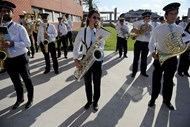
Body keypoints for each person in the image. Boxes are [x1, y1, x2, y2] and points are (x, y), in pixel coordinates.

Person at [148, 2, 183, 110]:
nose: (173, 16)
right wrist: (152, 52)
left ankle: (166, 100)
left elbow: (180, 43)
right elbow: (151, 42)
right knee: (156, 80)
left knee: (169, 81)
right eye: (171, 14)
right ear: (166, 15)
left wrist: (181, 46)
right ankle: (153, 98)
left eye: (175, 14)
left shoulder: (179, 29)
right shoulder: (158, 29)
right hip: (160, 57)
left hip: (172, 58)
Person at [0, 0, 34, 109]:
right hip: (8, 59)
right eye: (2, 11)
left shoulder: (19, 27)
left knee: (27, 79)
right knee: (16, 82)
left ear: (12, 13)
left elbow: (28, 43)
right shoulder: (0, 29)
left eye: (7, 11)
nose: (5, 13)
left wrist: (13, 43)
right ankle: (20, 98)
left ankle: (30, 99)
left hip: (21, 58)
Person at [73, 9, 104, 111]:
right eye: (94, 17)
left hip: (96, 60)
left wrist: (99, 43)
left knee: (97, 83)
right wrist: (76, 59)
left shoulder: (100, 31)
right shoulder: (82, 31)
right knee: (87, 83)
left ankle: (95, 102)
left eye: (98, 18)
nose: (96, 20)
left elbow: (102, 46)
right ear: (89, 18)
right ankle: (89, 101)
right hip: (85, 58)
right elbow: (76, 45)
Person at [131, 11, 152, 77]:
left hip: (146, 43)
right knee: (136, 58)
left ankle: (143, 72)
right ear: (144, 17)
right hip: (138, 42)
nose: (147, 19)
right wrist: (138, 30)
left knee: (144, 59)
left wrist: (150, 29)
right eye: (146, 17)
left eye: (148, 18)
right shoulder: (139, 23)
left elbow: (153, 33)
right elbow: (133, 28)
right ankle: (134, 72)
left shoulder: (151, 24)